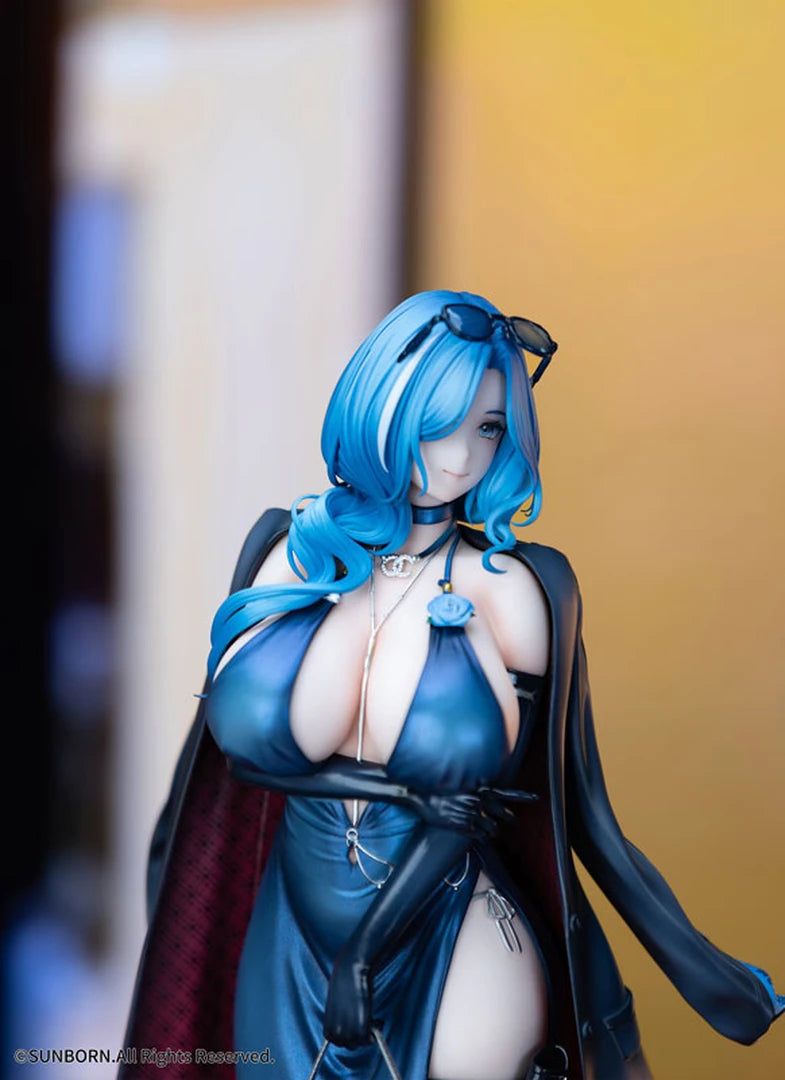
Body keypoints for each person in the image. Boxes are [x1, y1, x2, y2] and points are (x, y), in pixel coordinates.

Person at [120, 290, 783, 1080]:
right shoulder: (290, 557)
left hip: (452, 920)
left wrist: (699, 967)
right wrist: (391, 795)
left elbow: (552, 810)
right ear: (381, 406)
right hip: (292, 930)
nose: (462, 458)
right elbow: (231, 768)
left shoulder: (511, 590)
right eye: (438, 425)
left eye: (488, 428)